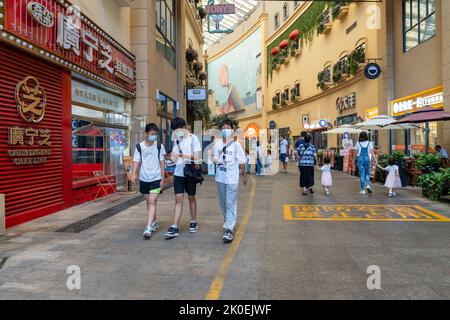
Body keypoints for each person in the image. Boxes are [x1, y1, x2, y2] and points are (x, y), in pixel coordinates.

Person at [165, 117, 202, 239]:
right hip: (179, 173)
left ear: (184, 128)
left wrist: (181, 155)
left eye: (178, 130)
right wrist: (169, 158)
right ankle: (175, 226)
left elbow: (196, 157)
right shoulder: (176, 141)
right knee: (178, 199)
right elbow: (175, 159)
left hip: (190, 172)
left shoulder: (193, 138)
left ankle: (193, 221)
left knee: (191, 197)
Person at [213, 119, 248, 243]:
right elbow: (214, 158)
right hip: (220, 178)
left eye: (228, 128)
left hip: (232, 178)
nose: (225, 130)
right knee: (223, 202)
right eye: (223, 128)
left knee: (230, 203)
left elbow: (242, 161)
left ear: (232, 130)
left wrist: (244, 175)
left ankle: (229, 229)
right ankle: (228, 222)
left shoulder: (236, 144)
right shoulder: (217, 144)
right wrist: (215, 160)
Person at [131, 123, 166, 239]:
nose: (154, 136)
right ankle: (154, 221)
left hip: (156, 178)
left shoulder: (159, 146)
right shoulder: (139, 147)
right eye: (152, 134)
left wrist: (163, 178)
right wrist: (134, 173)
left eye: (155, 134)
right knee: (149, 201)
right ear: (146, 134)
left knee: (152, 200)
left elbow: (162, 163)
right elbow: (136, 161)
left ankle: (148, 227)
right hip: (144, 178)